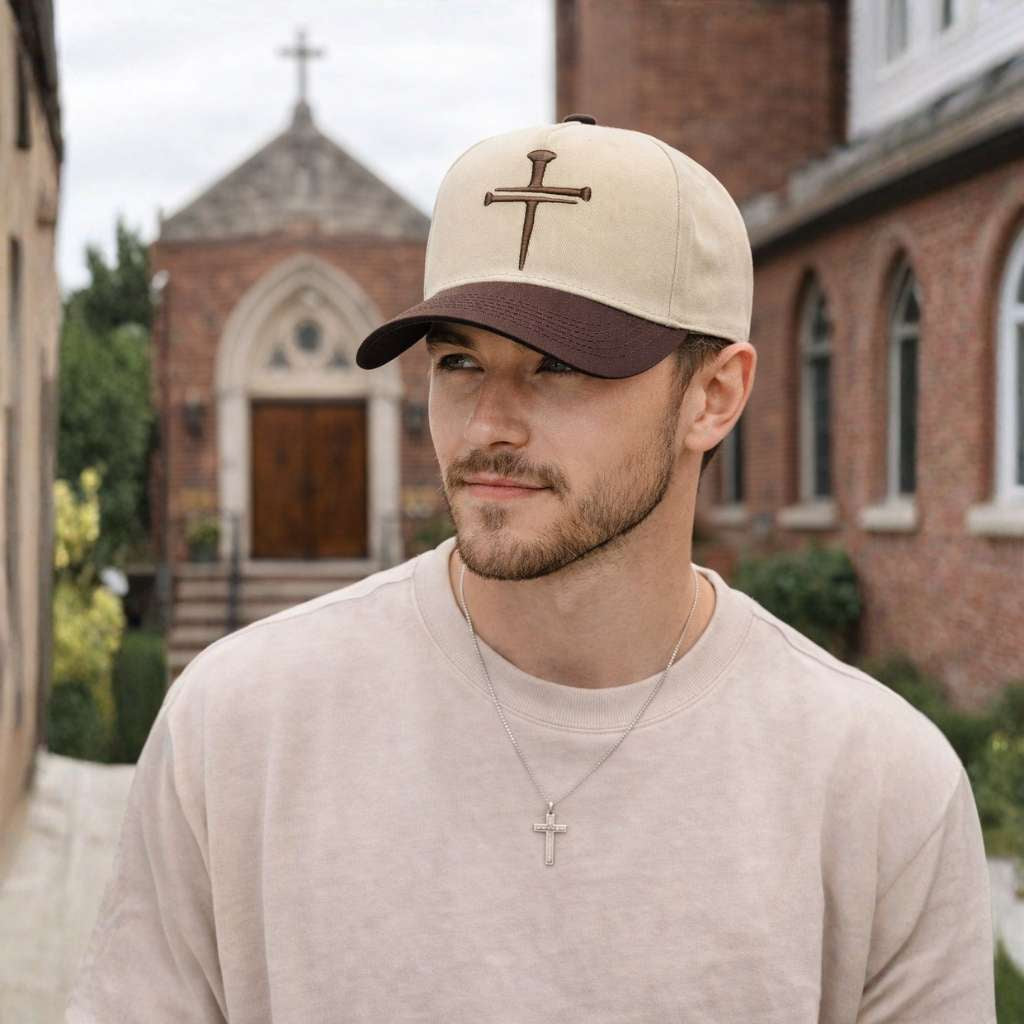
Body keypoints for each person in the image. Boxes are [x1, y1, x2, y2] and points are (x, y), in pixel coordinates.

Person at [65, 116, 996, 1022]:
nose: (486, 428)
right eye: (461, 361)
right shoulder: (237, 728)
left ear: (714, 395)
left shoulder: (881, 788)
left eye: (560, 366)